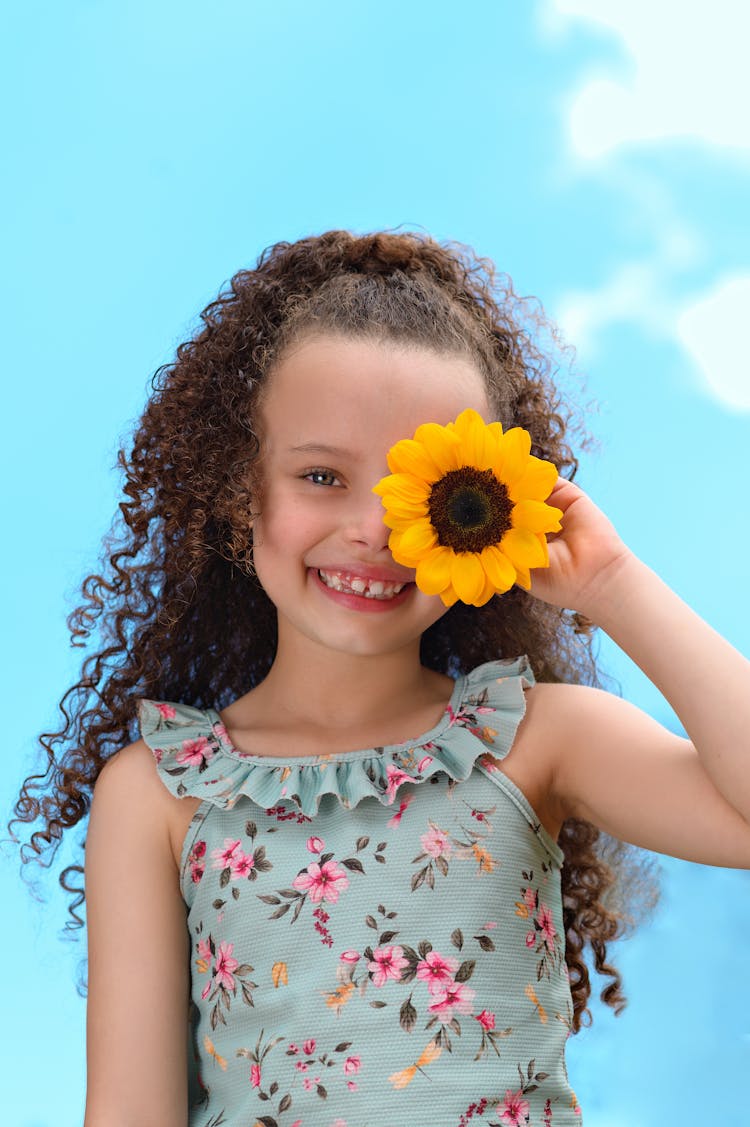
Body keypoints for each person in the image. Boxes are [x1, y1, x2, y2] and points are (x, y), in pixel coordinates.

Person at [12, 229, 750, 1127]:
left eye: (425, 490)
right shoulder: (158, 794)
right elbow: (131, 1112)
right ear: (242, 493)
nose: (375, 529)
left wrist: (612, 585)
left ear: (491, 511)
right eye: (322, 475)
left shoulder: (539, 738)